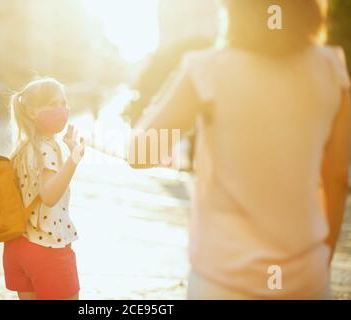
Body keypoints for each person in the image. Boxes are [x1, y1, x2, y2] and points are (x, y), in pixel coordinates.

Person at [129, 0, 350, 299]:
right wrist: (322, 260)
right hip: (305, 279)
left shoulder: (207, 70)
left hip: (221, 282)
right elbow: (336, 178)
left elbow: (140, 154)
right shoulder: (331, 67)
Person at [3, 77, 85, 300]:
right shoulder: (48, 148)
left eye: (63, 103)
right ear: (31, 112)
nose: (62, 109)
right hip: (47, 247)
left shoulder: (22, 148)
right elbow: (49, 196)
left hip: (17, 247)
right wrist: (74, 159)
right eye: (52, 104)